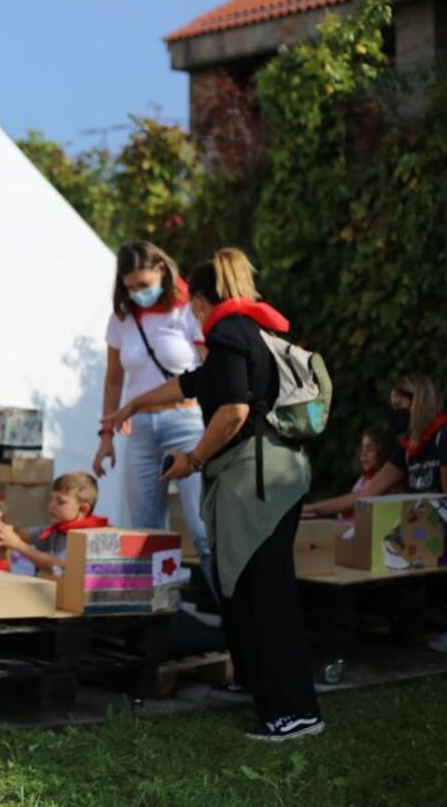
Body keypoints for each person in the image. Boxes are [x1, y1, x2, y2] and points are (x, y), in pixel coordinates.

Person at [106, 249, 323, 742]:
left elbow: (232, 413)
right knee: (252, 593)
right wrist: (136, 402)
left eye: (195, 308)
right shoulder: (250, 332)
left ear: (200, 301)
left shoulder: (226, 333)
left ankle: (294, 711)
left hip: (258, 485)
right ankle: (265, 692)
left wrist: (193, 459)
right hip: (275, 480)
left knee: (266, 599)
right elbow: (193, 382)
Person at [304, 374, 447, 651]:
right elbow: (364, 496)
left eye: (400, 405)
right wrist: (310, 510)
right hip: (435, 532)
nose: (396, 414)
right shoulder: (406, 451)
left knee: (392, 542)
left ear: (419, 402)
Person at [94, 241, 211, 576]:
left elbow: (209, 368)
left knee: (202, 530)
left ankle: (231, 613)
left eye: (143, 285)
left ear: (162, 269)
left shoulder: (187, 309)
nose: (137, 293)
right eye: (130, 287)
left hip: (187, 420)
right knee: (145, 535)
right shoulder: (121, 318)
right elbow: (113, 380)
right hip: (141, 428)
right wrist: (105, 437)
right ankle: (156, 620)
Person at [0, 473, 109, 575]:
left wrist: (19, 546)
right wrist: (0, 517)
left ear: (83, 509)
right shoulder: (58, 529)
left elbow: (60, 569)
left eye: (60, 502)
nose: (51, 505)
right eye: (52, 499)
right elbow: (22, 534)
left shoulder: (86, 537)